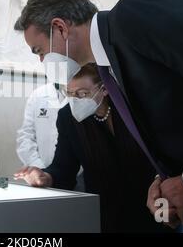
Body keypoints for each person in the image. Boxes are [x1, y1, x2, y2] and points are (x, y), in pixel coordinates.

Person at [14, 0, 183, 232]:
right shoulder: (112, 68)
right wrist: (164, 181)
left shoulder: (133, 14)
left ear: (60, 28)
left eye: (40, 51)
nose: (43, 61)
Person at [15, 64, 173, 232]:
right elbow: (63, 169)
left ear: (104, 89)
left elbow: (163, 155)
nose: (75, 100)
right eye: (70, 93)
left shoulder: (130, 108)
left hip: (152, 203)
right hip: (105, 212)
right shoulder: (68, 118)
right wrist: (45, 176)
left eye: (83, 93)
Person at [16, 83, 67, 169]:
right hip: (42, 167)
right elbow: (26, 135)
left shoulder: (84, 95)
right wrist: (36, 164)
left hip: (80, 172)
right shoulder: (38, 94)